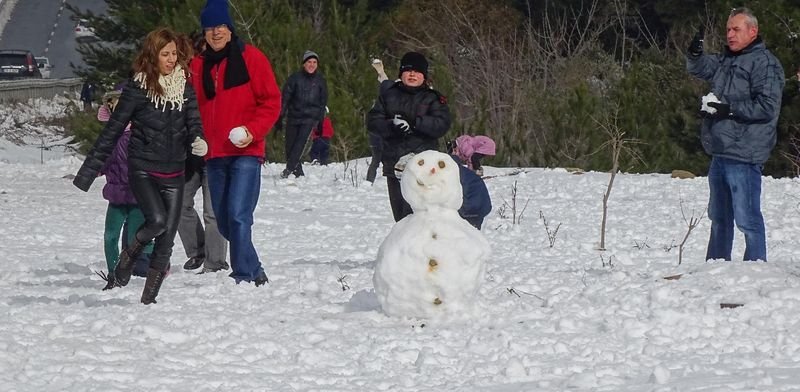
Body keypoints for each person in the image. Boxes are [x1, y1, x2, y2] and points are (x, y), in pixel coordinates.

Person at [74, 27, 207, 304]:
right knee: (156, 221)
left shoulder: (185, 87)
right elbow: (113, 130)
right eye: (165, 54)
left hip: (175, 170)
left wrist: (198, 140)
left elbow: (193, 122)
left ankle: (148, 301)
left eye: (174, 54)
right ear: (152, 55)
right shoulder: (138, 87)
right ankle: (129, 255)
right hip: (143, 169)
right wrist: (88, 172)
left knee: (166, 241)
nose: (171, 59)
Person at [190, 0, 281, 286]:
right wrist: (196, 137)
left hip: (246, 152)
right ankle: (255, 269)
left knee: (240, 215)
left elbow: (271, 102)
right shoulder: (198, 65)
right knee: (227, 223)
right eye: (209, 28)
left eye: (220, 26)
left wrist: (251, 131)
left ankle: (242, 275)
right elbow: (188, 106)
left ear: (230, 28)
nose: (215, 33)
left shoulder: (252, 58)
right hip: (214, 154)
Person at [686, 7, 784, 262]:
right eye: (728, 29)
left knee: (747, 219)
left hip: (745, 152)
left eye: (736, 29)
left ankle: (755, 269)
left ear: (753, 31)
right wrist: (695, 54)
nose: (730, 34)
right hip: (720, 151)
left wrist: (728, 111)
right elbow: (701, 67)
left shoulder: (766, 64)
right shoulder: (726, 60)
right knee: (719, 218)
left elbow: (767, 107)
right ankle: (716, 267)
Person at [367, 51, 451, 222]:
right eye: (408, 70)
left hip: (424, 169)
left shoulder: (433, 98)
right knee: (401, 220)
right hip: (394, 165)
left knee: (422, 217)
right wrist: (392, 127)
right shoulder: (388, 95)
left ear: (424, 76)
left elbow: (441, 124)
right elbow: (373, 121)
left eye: (417, 71)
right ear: (401, 74)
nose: (412, 74)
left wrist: (415, 123)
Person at [178, 30, 229, 274]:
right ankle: (197, 250)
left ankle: (216, 261)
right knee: (179, 204)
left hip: (215, 153)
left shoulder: (216, 75)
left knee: (213, 212)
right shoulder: (182, 80)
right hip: (190, 156)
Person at [94, 89, 154, 290]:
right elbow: (100, 161)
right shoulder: (108, 136)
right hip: (116, 196)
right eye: (112, 105)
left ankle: (159, 257)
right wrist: (93, 170)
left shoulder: (140, 134)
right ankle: (113, 275)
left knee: (135, 240)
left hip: (137, 196)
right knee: (110, 236)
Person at [277, 50, 328, 178]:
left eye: (314, 62)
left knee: (300, 144)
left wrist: (321, 122)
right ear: (304, 64)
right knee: (290, 145)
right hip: (293, 116)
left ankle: (288, 169)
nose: (312, 65)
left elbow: (323, 103)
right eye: (309, 62)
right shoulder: (294, 79)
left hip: (309, 118)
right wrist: (280, 116)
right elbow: (285, 99)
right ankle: (298, 171)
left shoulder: (320, 81)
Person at [366, 58, 391, 184]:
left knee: (382, 160)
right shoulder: (380, 105)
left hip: (382, 136)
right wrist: (381, 73)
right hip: (376, 136)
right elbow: (386, 85)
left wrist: (381, 72)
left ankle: (372, 181)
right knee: (376, 160)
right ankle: (369, 181)